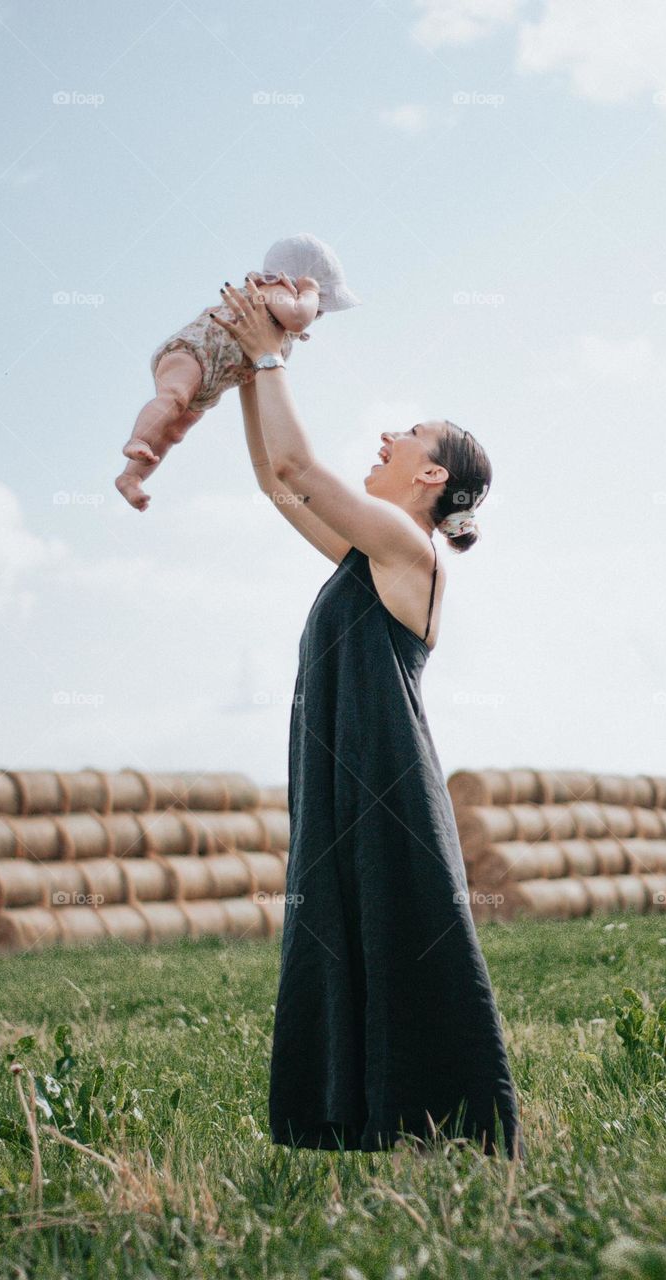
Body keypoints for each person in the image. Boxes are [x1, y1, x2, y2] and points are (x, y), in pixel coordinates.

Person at [213, 279, 526, 1163]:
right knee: (341, 931)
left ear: (430, 478)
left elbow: (297, 471)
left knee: (403, 932)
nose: (387, 436)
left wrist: (269, 353)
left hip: (384, 779)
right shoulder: (368, 548)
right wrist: (246, 372)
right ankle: (354, 1123)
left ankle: (450, 1131)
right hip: (341, 770)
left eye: (409, 436)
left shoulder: (408, 549)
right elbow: (279, 488)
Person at [115, 233, 360, 510]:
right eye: (320, 304)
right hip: (192, 353)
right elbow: (298, 319)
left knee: (174, 432)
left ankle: (131, 477)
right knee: (173, 398)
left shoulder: (278, 320)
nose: (318, 314)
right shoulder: (271, 289)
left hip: (212, 380)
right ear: (299, 281)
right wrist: (311, 291)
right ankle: (139, 438)